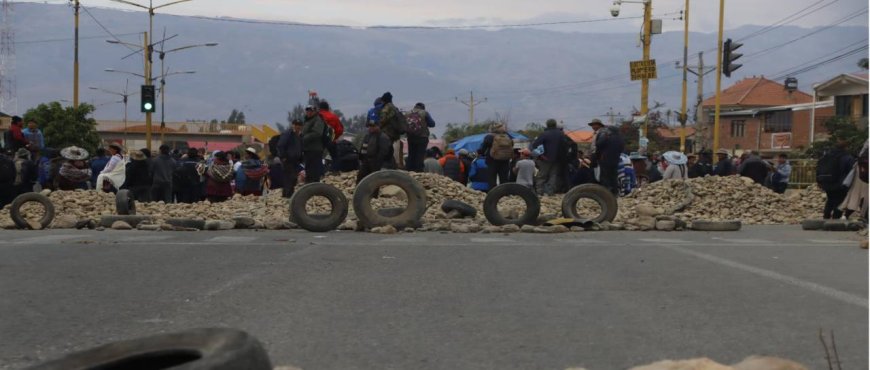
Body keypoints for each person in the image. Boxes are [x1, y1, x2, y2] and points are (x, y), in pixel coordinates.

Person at [817, 141, 855, 219]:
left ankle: (826, 216)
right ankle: (835, 219)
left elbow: (819, 169)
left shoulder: (827, 156)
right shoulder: (847, 157)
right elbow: (851, 171)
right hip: (841, 184)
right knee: (840, 202)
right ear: (846, 147)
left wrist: (819, 181)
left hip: (827, 183)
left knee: (830, 199)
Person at [531, 119, 567, 196]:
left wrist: (541, 155)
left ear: (547, 125)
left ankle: (539, 192)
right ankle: (550, 192)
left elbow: (535, 145)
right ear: (555, 125)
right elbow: (565, 147)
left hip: (545, 159)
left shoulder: (544, 134)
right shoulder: (561, 134)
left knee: (542, 176)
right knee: (553, 176)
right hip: (557, 159)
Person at [588, 118, 624, 195]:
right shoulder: (620, 138)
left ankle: (606, 193)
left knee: (604, 176)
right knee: (613, 176)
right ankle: (614, 192)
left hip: (604, 158)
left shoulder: (604, 135)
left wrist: (596, 157)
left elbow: (598, 145)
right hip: (615, 159)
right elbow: (622, 149)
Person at [840, 140, 868, 220]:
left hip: (861, 170)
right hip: (864, 170)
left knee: (856, 194)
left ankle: (846, 215)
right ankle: (865, 216)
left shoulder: (867, 143)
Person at [356, 120, 392, 185]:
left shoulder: (383, 137)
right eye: (369, 126)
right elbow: (363, 149)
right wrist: (361, 159)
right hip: (366, 161)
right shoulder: (367, 136)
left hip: (376, 162)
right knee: (360, 178)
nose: (371, 128)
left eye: (373, 126)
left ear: (378, 126)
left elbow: (384, 152)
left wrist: (378, 163)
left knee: (374, 181)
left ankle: (374, 194)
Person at [480, 123, 514, 189]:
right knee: (504, 180)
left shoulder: (489, 137)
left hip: (492, 160)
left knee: (492, 180)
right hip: (505, 161)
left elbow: (483, 149)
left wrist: (480, 152)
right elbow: (512, 145)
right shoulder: (508, 137)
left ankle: (493, 196)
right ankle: (505, 195)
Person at [405, 102, 436, 172]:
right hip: (422, 137)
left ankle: (409, 171)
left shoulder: (407, 113)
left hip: (411, 137)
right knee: (420, 156)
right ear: (423, 107)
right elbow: (432, 124)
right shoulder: (424, 113)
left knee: (411, 154)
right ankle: (418, 171)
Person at [277, 119, 304, 198]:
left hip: (296, 160)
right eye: (296, 125)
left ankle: (288, 194)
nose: (297, 126)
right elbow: (280, 145)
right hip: (288, 160)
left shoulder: (300, 135)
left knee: (293, 178)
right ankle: (287, 195)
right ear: (293, 125)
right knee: (289, 178)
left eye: (299, 125)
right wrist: (283, 157)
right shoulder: (288, 134)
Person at [378, 92, 404, 169]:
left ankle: (388, 165)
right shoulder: (395, 108)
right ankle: (392, 165)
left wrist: (379, 126)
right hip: (395, 133)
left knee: (386, 150)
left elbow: (383, 120)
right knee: (390, 150)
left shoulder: (387, 107)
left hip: (387, 132)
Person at [301, 105, 326, 183]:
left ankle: (314, 184)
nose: (308, 112)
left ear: (315, 111)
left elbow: (317, 133)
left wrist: (304, 138)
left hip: (315, 149)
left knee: (314, 170)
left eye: (310, 110)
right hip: (308, 149)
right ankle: (309, 184)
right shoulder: (307, 120)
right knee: (308, 169)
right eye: (307, 110)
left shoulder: (318, 120)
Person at [318, 101, 344, 173]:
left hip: (319, 141)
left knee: (318, 157)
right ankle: (334, 171)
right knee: (335, 156)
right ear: (328, 108)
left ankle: (321, 173)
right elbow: (340, 130)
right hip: (331, 140)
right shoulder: (333, 116)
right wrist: (334, 138)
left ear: (319, 108)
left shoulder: (317, 116)